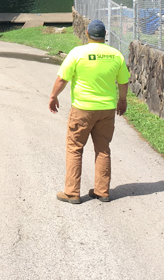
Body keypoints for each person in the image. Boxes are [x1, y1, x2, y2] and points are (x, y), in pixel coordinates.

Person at [49, 19, 130, 204]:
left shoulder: (78, 53)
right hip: (107, 110)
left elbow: (62, 79)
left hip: (82, 109)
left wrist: (53, 96)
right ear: (105, 35)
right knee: (103, 149)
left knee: (75, 148)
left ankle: (72, 192)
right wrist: (122, 100)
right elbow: (123, 81)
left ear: (87, 33)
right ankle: (102, 191)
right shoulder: (116, 55)